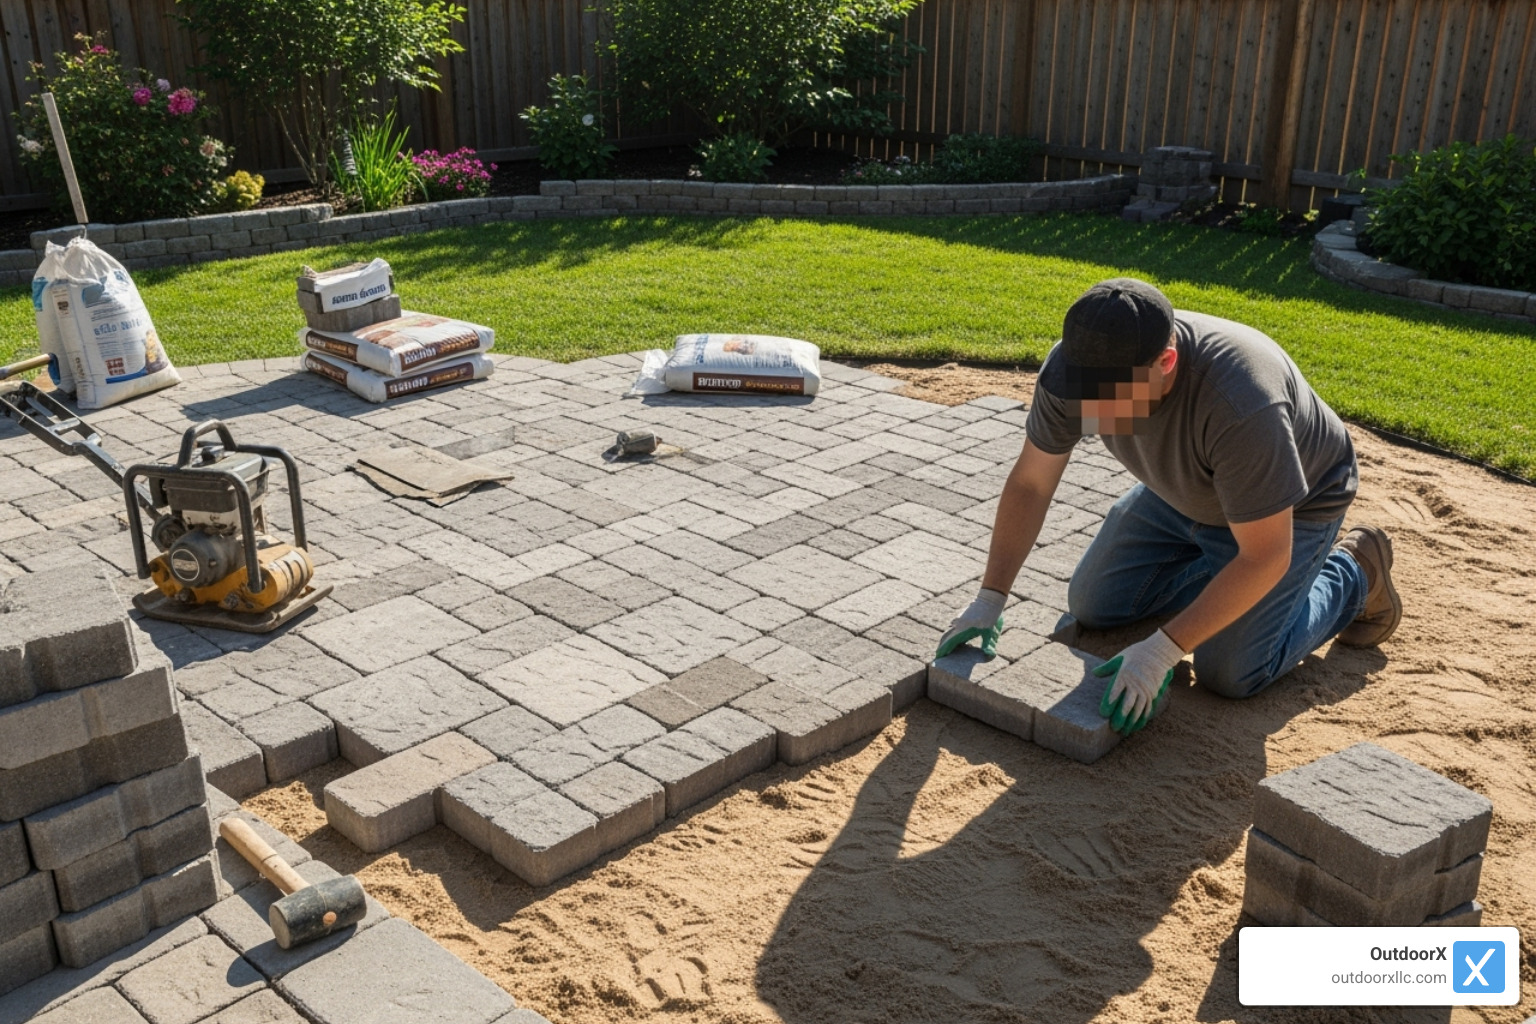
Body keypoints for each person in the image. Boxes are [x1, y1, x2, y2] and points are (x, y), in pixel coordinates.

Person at [937, 278, 1401, 736]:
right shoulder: (1074, 368)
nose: (1090, 407)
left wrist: (1161, 651)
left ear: (1166, 361)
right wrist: (990, 597)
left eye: (1109, 395)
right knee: (1093, 605)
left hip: (1294, 507)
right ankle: (1219, 576)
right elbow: (1032, 482)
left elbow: (1266, 556)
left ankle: (1356, 572)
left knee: (1230, 672)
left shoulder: (1242, 403)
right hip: (1179, 493)